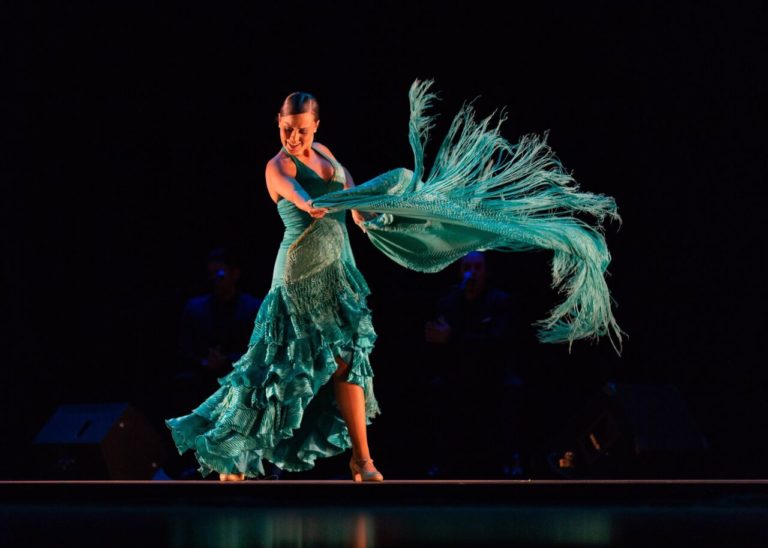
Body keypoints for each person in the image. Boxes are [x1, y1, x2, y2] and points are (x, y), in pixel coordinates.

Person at [165, 91, 384, 482]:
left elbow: (351, 191)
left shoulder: (327, 155)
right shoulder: (277, 166)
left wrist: (368, 215)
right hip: (299, 276)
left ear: (316, 126)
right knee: (276, 370)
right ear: (278, 123)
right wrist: (310, 204)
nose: (294, 138)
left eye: (302, 130)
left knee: (349, 359)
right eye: (287, 129)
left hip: (338, 273)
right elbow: (297, 194)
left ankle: (362, 460)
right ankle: (230, 456)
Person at [423, 251, 525, 477]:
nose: (472, 273)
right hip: (457, 376)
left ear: (486, 271)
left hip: (491, 376)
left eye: (477, 267)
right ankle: (442, 466)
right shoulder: (449, 301)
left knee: (508, 391)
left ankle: (506, 464)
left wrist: (454, 338)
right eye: (467, 267)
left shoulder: (500, 301)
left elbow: (498, 343)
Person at [175, 247, 263, 407]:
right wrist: (203, 362)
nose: (215, 279)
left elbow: (260, 350)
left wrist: (228, 361)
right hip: (201, 383)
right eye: (211, 275)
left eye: (220, 274)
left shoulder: (253, 308)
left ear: (235, 274)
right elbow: (183, 349)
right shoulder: (195, 308)